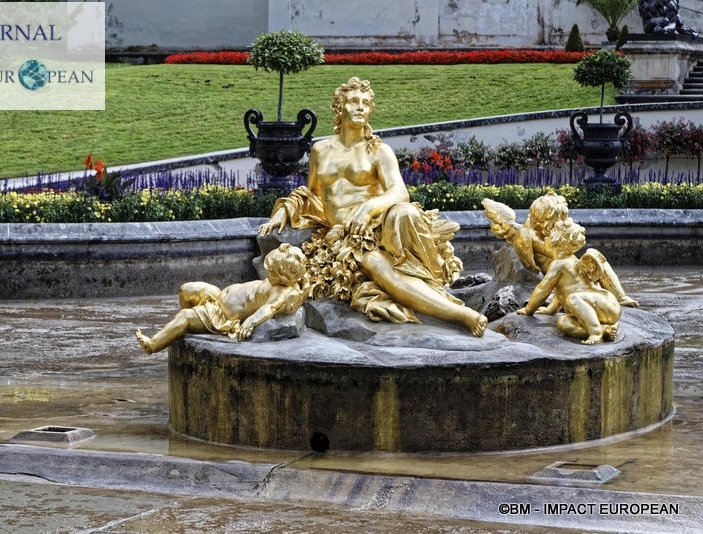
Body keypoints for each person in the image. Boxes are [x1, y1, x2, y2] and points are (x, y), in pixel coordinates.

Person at [259, 77, 487, 336]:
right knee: (375, 264)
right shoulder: (320, 151)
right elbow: (311, 196)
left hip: (380, 223)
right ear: (339, 107)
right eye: (354, 101)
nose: (361, 107)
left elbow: (400, 192)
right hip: (347, 238)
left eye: (366, 103)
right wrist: (284, 210)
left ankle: (439, 294)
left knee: (407, 211)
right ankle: (462, 315)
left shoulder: (379, 151)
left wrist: (369, 208)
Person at [135, 243, 308, 354]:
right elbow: (305, 280)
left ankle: (153, 345)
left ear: (285, 277)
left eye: (273, 272)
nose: (268, 272)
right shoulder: (293, 277)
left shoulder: (284, 292)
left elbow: (270, 308)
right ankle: (186, 327)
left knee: (185, 316)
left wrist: (251, 322)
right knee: (186, 290)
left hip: (222, 316)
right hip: (219, 296)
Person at [482, 192, 638, 308]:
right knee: (593, 257)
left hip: (571, 273)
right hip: (564, 279)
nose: (563, 221)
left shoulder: (535, 227)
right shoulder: (534, 238)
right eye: (559, 218)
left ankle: (620, 296)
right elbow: (564, 250)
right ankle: (618, 297)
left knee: (595, 257)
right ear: (546, 218)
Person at [516, 218, 621, 344]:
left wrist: (528, 310)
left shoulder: (559, 264)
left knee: (573, 299)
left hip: (604, 304)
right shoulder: (572, 260)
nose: (545, 239)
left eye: (548, 237)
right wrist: (551, 310)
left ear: (557, 242)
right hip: (605, 308)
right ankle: (606, 329)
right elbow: (562, 290)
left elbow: (543, 289)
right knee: (563, 323)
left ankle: (595, 332)